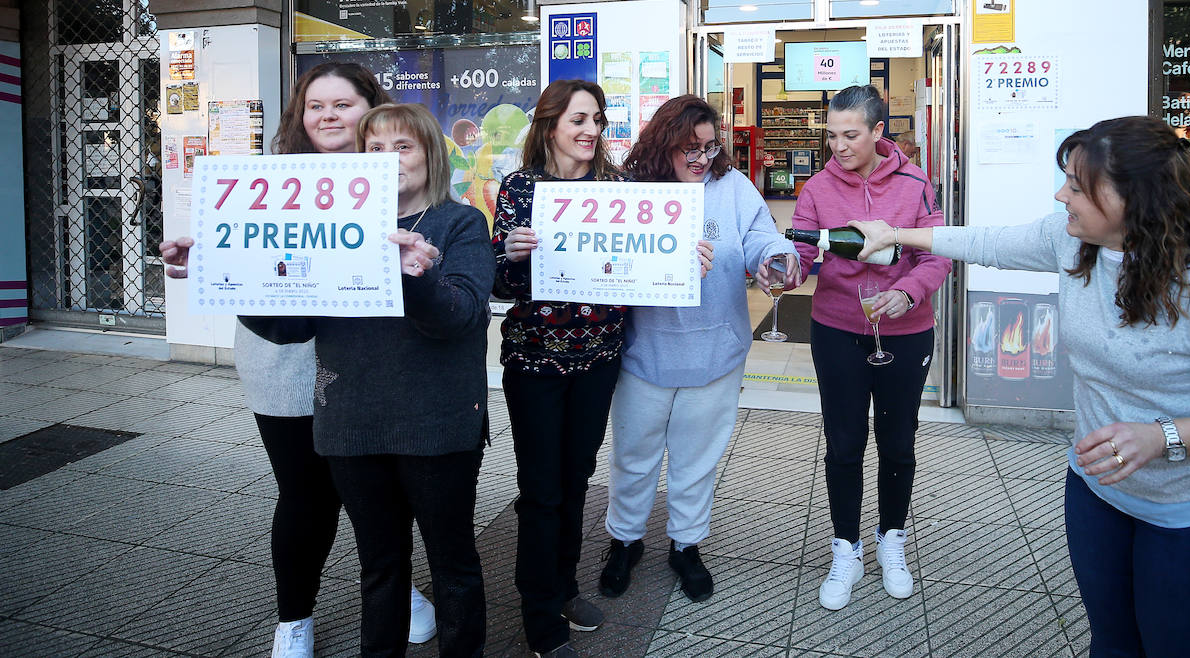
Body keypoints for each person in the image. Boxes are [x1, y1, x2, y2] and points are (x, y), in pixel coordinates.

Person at [849, 115, 1190, 658]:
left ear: (1133, 197)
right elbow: (987, 242)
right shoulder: (1072, 245)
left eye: (1076, 185)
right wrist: (896, 234)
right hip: (1097, 495)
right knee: (1112, 645)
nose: (1059, 193)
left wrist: (1161, 437)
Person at [160, 63, 438, 658]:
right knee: (305, 495)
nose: (328, 116)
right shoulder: (266, 178)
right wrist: (200, 255)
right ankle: (294, 619)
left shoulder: (398, 183)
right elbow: (240, 252)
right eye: (316, 106)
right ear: (300, 115)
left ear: (372, 108)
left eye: (343, 104)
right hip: (283, 360)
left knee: (377, 490)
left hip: (372, 362)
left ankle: (396, 590)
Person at [242, 103, 495, 658]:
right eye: (374, 149)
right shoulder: (334, 230)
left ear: (431, 154)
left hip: (438, 423)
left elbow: (460, 317)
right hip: (352, 423)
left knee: (452, 561)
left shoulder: (460, 223)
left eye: (402, 147)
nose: (387, 160)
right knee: (379, 564)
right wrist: (233, 280)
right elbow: (291, 326)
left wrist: (420, 277)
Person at [598, 95, 800, 603]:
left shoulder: (732, 188)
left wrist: (777, 258)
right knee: (634, 455)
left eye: (710, 147)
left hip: (715, 352)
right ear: (663, 143)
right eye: (689, 148)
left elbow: (759, 236)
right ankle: (625, 539)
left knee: (697, 458)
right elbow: (609, 260)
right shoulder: (632, 191)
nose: (701, 159)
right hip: (643, 353)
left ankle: (686, 544)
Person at [790, 84, 951, 611]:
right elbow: (800, 256)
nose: (838, 146)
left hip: (906, 330)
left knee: (898, 440)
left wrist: (909, 291)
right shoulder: (816, 187)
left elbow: (940, 254)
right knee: (842, 440)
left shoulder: (914, 183)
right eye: (831, 135)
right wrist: (781, 269)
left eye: (850, 135)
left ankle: (891, 539)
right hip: (837, 328)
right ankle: (846, 547)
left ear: (878, 131)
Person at [490, 80, 629, 658]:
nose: (591, 131)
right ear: (550, 125)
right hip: (536, 361)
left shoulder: (617, 188)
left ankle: (565, 585)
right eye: (578, 120)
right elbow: (501, 283)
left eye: (597, 119)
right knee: (541, 489)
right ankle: (539, 612)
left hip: (598, 357)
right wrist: (513, 255)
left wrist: (678, 259)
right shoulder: (521, 188)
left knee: (576, 479)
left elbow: (633, 268)